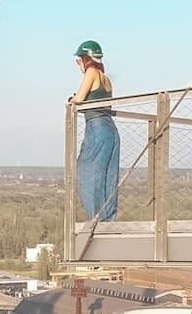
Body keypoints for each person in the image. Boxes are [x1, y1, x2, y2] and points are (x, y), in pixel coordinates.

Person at [70, 40, 120, 222]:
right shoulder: (106, 79)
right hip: (110, 129)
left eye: (79, 61)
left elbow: (80, 98)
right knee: (108, 176)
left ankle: (96, 220)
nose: (78, 65)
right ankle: (108, 219)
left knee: (88, 171)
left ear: (86, 59)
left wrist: (71, 100)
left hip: (97, 127)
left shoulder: (91, 73)